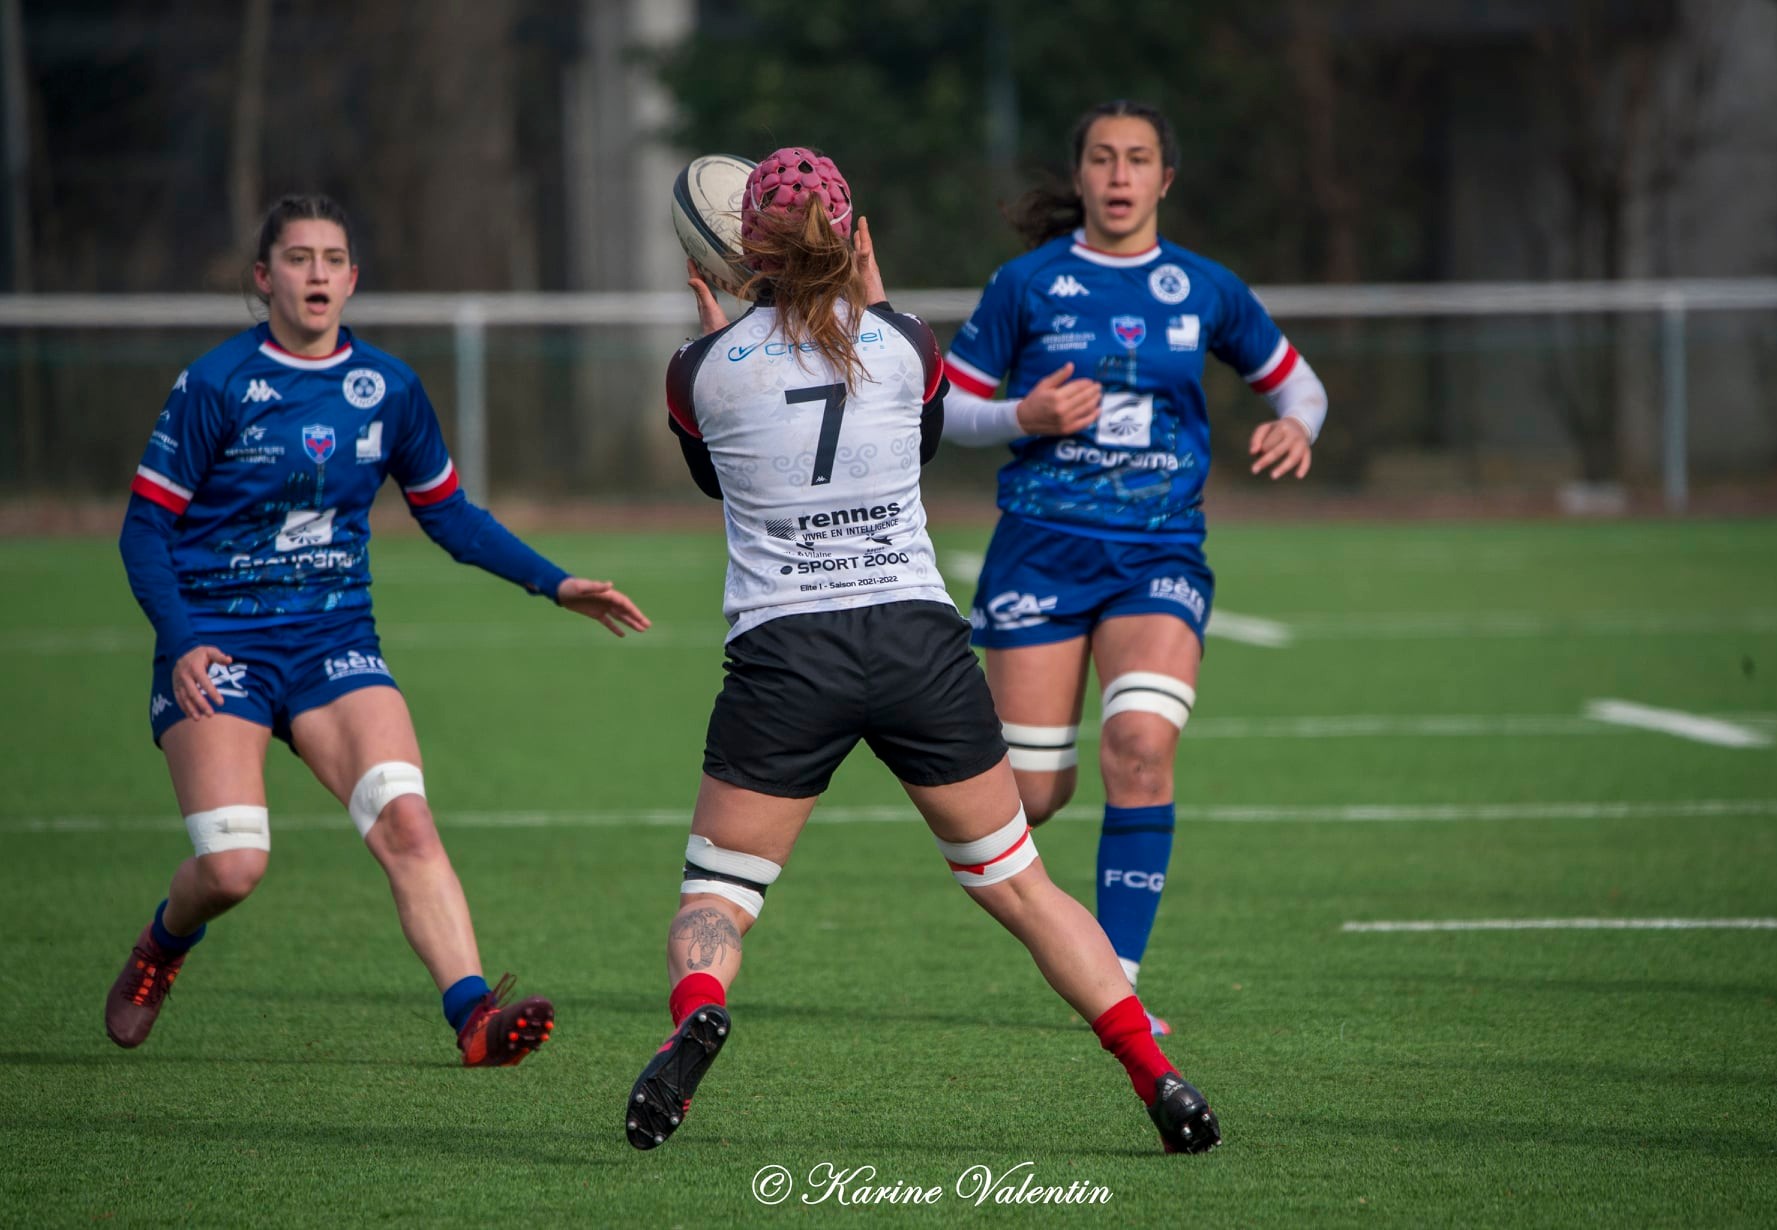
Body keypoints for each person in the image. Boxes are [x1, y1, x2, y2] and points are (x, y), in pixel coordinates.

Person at [623, 147, 1218, 1156]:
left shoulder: (696, 374)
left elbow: (716, 477)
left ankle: (697, 1016)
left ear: (735, 260)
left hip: (786, 653)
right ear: (855, 240)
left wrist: (722, 335)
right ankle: (1156, 1074)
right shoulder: (906, 343)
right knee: (1023, 887)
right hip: (915, 644)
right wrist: (874, 306)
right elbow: (922, 432)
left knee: (717, 897)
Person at [108, 193, 651, 1065]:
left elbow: (452, 517)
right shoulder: (217, 383)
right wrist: (179, 640)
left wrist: (555, 582)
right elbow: (144, 528)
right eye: (296, 257)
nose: (316, 273)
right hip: (218, 641)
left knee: (407, 822)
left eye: (332, 259)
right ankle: (163, 945)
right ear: (263, 277)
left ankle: (474, 1018)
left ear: (353, 279)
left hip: (333, 646)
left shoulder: (389, 389)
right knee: (233, 868)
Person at [939, 101, 1330, 1036]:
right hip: (1040, 546)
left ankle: (1116, 979)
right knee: (1031, 793)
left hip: (1159, 552)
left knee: (1142, 749)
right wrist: (1021, 419)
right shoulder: (1026, 285)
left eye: (1139, 159)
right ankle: (1055, 879)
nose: (1120, 176)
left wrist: (1293, 423)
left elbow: (1297, 382)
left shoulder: (1204, 288)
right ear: (1079, 177)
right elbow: (947, 407)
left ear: (1166, 180)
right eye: (1103, 158)